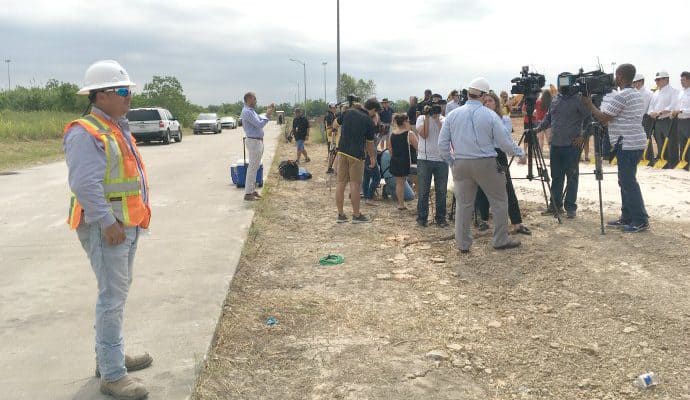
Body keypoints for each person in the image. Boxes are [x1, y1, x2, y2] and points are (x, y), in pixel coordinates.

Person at [64, 60, 152, 399]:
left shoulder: (115, 126)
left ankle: (110, 356)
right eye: (122, 91)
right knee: (112, 298)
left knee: (118, 293)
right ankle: (113, 374)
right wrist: (107, 222)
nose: (129, 96)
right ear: (99, 95)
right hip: (109, 228)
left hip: (125, 223)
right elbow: (84, 184)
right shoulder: (84, 132)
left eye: (129, 90)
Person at [439, 77, 525, 253]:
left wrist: (451, 162)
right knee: (500, 201)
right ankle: (500, 239)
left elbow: (442, 144)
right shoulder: (490, 115)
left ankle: (463, 244)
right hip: (486, 163)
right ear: (484, 96)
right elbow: (504, 142)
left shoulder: (453, 115)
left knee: (464, 205)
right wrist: (520, 153)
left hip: (461, 163)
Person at [584, 63, 649, 232]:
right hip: (632, 142)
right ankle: (627, 216)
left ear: (620, 76)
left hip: (627, 143)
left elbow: (604, 118)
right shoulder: (634, 93)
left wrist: (590, 105)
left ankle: (640, 220)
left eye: (616, 75)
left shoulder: (622, 96)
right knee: (625, 180)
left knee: (628, 182)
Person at [474, 91, 531, 235]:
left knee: (508, 189)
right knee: (482, 189)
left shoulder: (503, 119)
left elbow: (506, 140)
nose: (487, 103)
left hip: (499, 154)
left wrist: (519, 153)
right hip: (483, 155)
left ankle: (517, 223)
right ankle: (483, 220)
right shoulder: (477, 118)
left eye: (490, 101)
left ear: (496, 103)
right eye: (485, 101)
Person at [535, 74, 591, 219]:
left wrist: (583, 135)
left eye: (565, 82)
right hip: (556, 145)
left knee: (572, 178)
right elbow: (548, 118)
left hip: (572, 146)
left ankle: (570, 207)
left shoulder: (579, 100)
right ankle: (555, 205)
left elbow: (589, 118)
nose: (562, 85)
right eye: (560, 82)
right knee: (556, 177)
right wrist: (538, 129)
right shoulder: (555, 99)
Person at [333, 98, 380, 223]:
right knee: (355, 185)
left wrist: (336, 132)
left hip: (342, 152)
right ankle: (356, 215)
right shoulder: (368, 121)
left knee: (340, 184)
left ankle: (341, 214)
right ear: (373, 110)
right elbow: (369, 144)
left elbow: (335, 123)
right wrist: (372, 158)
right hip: (356, 155)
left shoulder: (349, 112)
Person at [416, 101, 448, 227]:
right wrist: (428, 118)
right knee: (423, 190)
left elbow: (444, 135)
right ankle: (422, 218)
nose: (434, 110)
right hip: (424, 159)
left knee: (441, 191)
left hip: (441, 160)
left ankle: (441, 218)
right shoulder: (421, 118)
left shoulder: (444, 119)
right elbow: (424, 135)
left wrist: (437, 119)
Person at [241, 92, 275, 201]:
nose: (256, 101)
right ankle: (248, 193)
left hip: (256, 141)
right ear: (249, 99)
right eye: (254, 99)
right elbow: (260, 124)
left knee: (255, 168)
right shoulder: (247, 112)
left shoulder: (251, 111)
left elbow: (260, 118)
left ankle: (251, 190)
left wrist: (266, 113)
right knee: (252, 168)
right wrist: (268, 115)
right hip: (254, 142)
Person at [648, 71, 680, 165]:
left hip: (669, 120)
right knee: (660, 142)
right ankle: (664, 162)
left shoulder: (674, 91)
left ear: (666, 79)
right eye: (655, 80)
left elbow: (673, 105)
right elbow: (651, 106)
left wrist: (660, 112)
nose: (656, 81)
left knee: (671, 143)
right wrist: (651, 113)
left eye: (658, 79)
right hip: (658, 121)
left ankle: (673, 163)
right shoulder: (656, 92)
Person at [388, 113, 418, 210]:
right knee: (418, 182)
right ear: (405, 122)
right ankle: (419, 203)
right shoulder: (410, 134)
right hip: (409, 162)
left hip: (396, 161)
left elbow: (390, 150)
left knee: (399, 183)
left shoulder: (392, 134)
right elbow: (418, 148)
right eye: (408, 121)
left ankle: (401, 204)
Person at [633, 74, 655, 162]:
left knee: (646, 139)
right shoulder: (635, 92)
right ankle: (641, 158)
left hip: (645, 118)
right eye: (633, 82)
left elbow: (643, 107)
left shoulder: (647, 93)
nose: (634, 84)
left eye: (635, 82)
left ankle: (649, 159)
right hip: (636, 118)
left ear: (641, 81)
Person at [672, 71, 690, 166]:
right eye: (681, 80)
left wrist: (681, 111)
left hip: (688, 121)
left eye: (683, 80)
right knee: (682, 144)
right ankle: (684, 164)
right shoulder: (680, 93)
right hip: (680, 121)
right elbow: (677, 106)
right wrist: (674, 112)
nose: (681, 82)